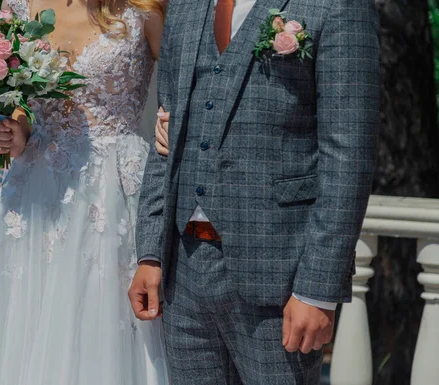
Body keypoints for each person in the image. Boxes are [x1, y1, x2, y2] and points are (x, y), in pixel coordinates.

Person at [130, 0, 380, 383]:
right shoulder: (184, 5)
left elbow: (349, 157)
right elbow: (165, 133)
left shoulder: (337, 5)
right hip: (183, 271)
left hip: (279, 276)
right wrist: (150, 251)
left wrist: (317, 290)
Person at [0, 0, 170, 384]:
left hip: (112, 196)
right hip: (34, 198)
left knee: (101, 327)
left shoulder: (143, 8)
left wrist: (172, 124)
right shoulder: (19, 7)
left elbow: (187, 84)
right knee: (28, 332)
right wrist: (14, 131)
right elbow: (21, 104)